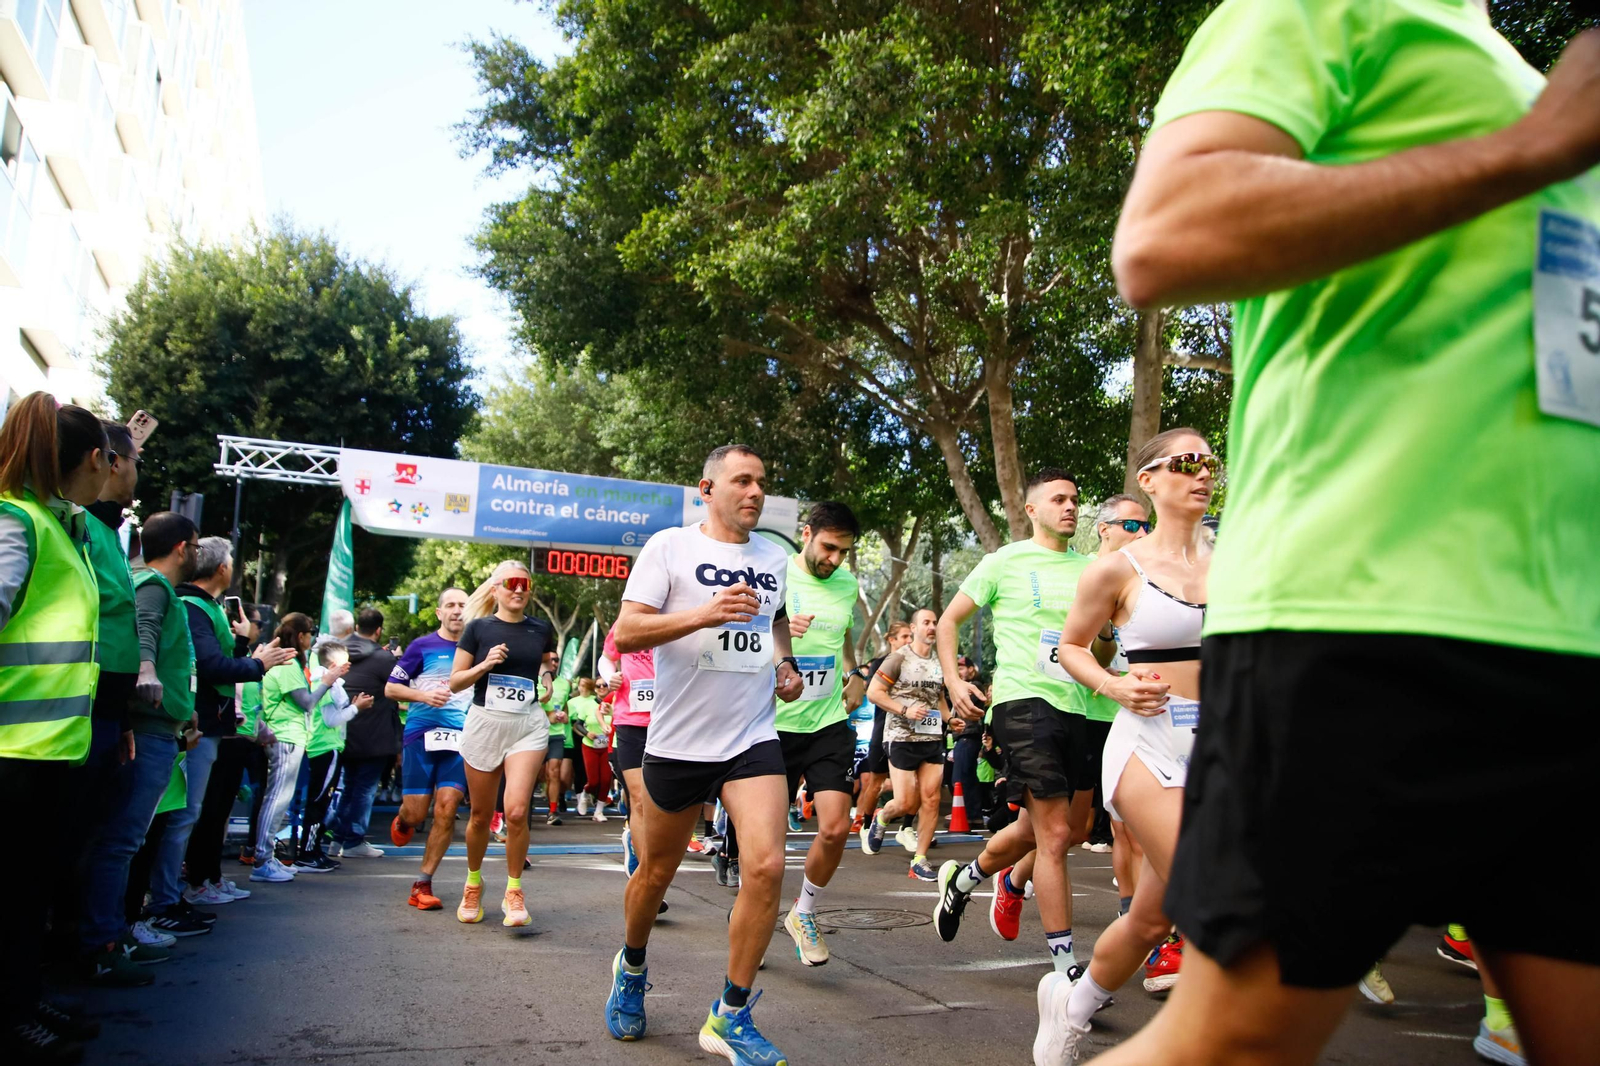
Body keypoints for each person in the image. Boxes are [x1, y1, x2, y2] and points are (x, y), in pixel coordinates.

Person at [1095, 5, 1600, 1066]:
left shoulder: (1503, 56)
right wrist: (1533, 149)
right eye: (1177, 466)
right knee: (1234, 1040)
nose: (1195, 475)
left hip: (1564, 632)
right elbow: (1163, 234)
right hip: (1369, 618)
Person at [602, 443, 804, 1063]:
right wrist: (703, 614)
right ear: (707, 488)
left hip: (750, 736)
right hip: (678, 742)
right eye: (741, 481)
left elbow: (774, 620)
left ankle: (731, 1013)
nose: (755, 492)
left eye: (761, 482)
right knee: (655, 873)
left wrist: (786, 664)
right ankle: (631, 966)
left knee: (767, 866)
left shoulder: (774, 557)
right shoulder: (669, 548)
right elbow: (627, 630)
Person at [1030, 430, 1215, 1062]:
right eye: (1187, 462)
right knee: (1209, 887)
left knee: (1151, 920)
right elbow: (1071, 647)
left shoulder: (1238, 564)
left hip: (1218, 751)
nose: (1203, 472)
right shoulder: (1118, 567)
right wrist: (1114, 685)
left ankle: (1070, 1007)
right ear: (1149, 480)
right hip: (1147, 748)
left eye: (1210, 462)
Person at [928, 470, 1114, 988]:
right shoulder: (1003, 562)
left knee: (1058, 830)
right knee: (1054, 836)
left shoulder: (1093, 570)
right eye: (1059, 499)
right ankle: (1065, 968)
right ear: (1031, 509)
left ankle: (965, 880)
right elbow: (949, 622)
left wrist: (1106, 633)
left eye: (1076, 499)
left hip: (1077, 708)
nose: (1071, 507)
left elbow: (1102, 650)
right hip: (1022, 703)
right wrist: (952, 681)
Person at [0, 394, 115, 1055]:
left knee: (29, 894)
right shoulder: (19, 523)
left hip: (46, 751)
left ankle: (24, 998)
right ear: (95, 459)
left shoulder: (53, 524)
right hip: (13, 753)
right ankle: (12, 1015)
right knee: (12, 895)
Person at [79, 512, 205, 949]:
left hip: (156, 727)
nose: (199, 555)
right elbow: (145, 631)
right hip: (149, 730)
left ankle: (110, 933)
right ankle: (106, 939)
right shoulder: (153, 585)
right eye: (196, 546)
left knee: (124, 839)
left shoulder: (152, 584)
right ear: (180, 548)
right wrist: (147, 670)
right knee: (123, 841)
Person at [169, 538, 294, 908]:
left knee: (208, 811)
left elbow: (219, 663)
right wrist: (257, 664)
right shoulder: (192, 606)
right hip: (198, 724)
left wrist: (242, 648)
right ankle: (173, 893)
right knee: (188, 815)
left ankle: (201, 880)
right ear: (223, 569)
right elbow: (209, 666)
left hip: (218, 727)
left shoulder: (205, 607)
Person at [774, 501, 864, 965]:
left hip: (828, 722)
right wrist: (782, 630)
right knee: (767, 844)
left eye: (843, 552)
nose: (834, 560)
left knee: (834, 827)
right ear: (806, 534)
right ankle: (753, 907)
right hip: (772, 726)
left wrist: (855, 672)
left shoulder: (846, 585)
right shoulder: (775, 573)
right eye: (828, 548)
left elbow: (844, 632)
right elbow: (742, 633)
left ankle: (803, 911)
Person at [448, 560, 555, 926]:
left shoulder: (541, 628)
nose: (519, 589)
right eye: (510, 583)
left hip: (527, 724)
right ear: (495, 589)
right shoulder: (477, 629)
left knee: (516, 811)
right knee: (480, 815)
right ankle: (473, 885)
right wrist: (484, 666)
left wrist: (546, 675)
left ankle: (514, 891)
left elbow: (544, 661)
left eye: (525, 584)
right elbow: (455, 682)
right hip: (485, 724)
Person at [386, 587, 471, 911]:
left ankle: (422, 882)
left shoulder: (476, 649)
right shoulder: (422, 646)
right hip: (421, 734)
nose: (456, 611)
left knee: (447, 807)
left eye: (462, 605)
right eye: (450, 605)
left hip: (460, 737)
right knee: (417, 812)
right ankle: (405, 820)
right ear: (439, 612)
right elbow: (391, 687)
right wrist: (424, 696)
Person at [1088, 495, 1150, 917]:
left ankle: (1145, 921)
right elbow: (1082, 653)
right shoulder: (1087, 575)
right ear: (1104, 528)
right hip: (1093, 710)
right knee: (1113, 828)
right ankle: (1135, 915)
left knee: (1141, 828)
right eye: (1131, 525)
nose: (1142, 534)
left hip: (1151, 713)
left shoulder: (1155, 575)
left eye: (1147, 525)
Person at [251, 613, 344, 883]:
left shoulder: (287, 660)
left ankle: (265, 857)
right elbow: (307, 702)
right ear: (301, 635)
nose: (313, 637)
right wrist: (328, 681)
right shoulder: (287, 662)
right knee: (277, 799)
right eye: (310, 632)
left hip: (287, 736)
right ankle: (262, 859)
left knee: (278, 799)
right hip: (285, 737)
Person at [864, 608, 951, 880]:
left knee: (932, 798)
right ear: (913, 628)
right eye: (926, 622)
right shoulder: (898, 658)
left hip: (931, 736)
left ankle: (920, 859)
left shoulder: (939, 662)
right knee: (904, 802)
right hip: (900, 735)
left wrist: (952, 719)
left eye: (935, 623)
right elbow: (874, 692)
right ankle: (882, 817)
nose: (932, 627)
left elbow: (937, 698)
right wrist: (904, 710)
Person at [325, 608, 401, 858]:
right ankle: (354, 840)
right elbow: (398, 688)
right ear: (378, 630)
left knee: (348, 787)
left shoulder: (338, 652)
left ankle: (338, 838)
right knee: (365, 789)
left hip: (341, 729)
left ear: (357, 626)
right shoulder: (384, 659)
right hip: (374, 733)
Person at [295, 639, 371, 871]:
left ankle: (314, 850)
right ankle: (308, 853)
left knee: (322, 800)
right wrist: (357, 708)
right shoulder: (325, 683)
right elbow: (331, 720)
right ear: (333, 663)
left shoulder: (330, 683)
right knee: (318, 802)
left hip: (327, 747)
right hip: (325, 747)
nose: (349, 664)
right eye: (345, 660)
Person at [852, 620, 911, 840]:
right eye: (904, 637)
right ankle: (867, 825)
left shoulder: (918, 664)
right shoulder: (879, 664)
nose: (909, 641)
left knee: (916, 782)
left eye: (910, 637)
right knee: (875, 782)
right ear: (891, 640)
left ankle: (908, 828)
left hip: (910, 732)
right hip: (883, 729)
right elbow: (875, 694)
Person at [569, 678, 614, 821]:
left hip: (608, 746)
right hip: (590, 745)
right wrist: (587, 733)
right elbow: (578, 724)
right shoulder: (588, 704)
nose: (601, 688)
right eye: (598, 686)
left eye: (604, 685)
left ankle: (599, 811)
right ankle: (585, 793)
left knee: (606, 779)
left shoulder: (615, 703)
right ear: (594, 689)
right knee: (594, 780)